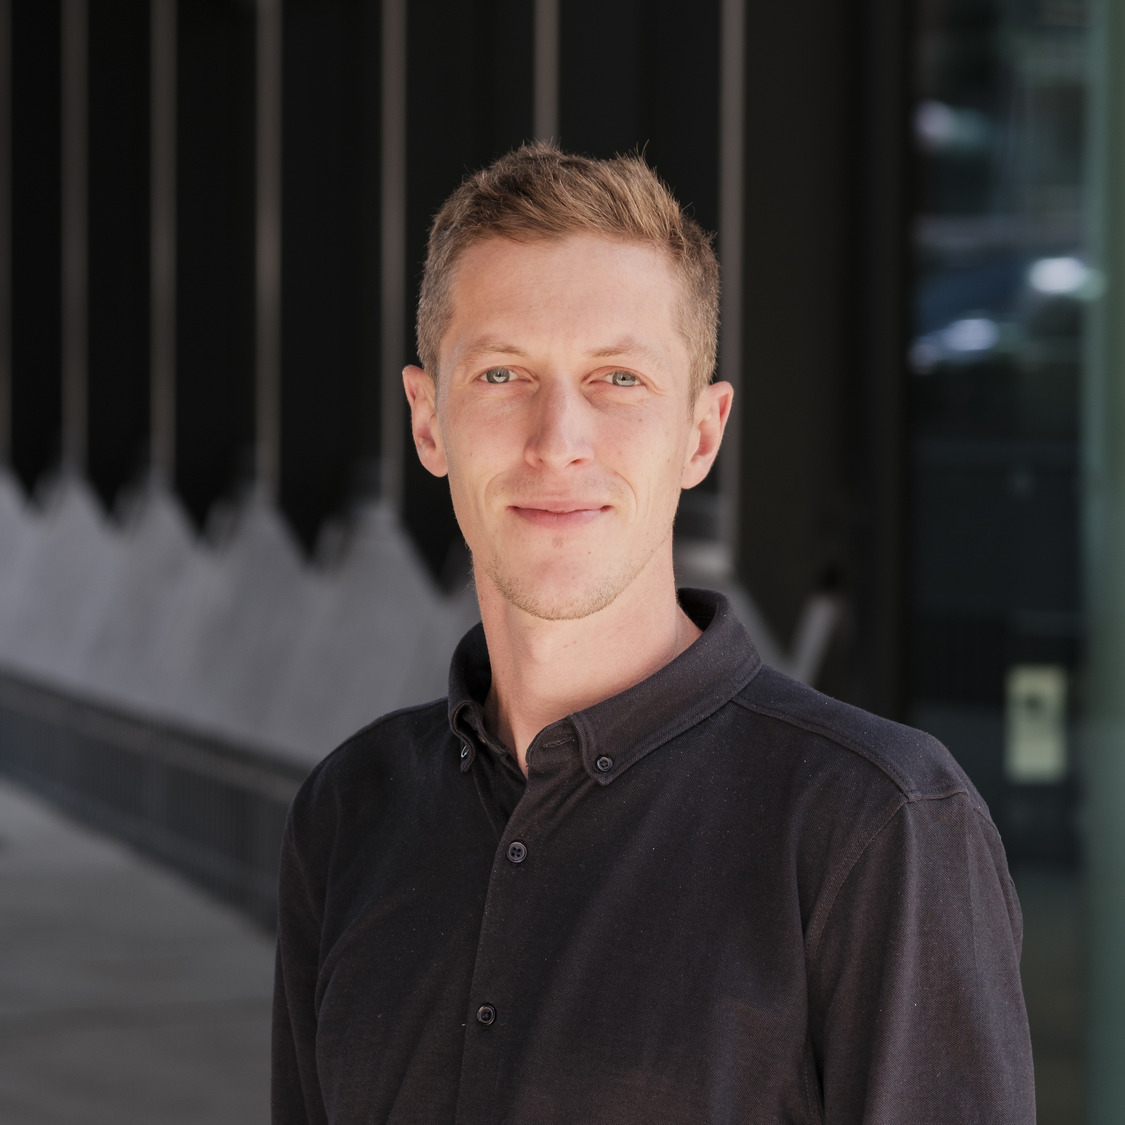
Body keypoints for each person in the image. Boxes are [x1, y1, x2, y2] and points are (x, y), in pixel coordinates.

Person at [272, 143, 1035, 1124]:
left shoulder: (877, 826)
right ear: (428, 421)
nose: (558, 441)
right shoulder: (348, 811)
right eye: (502, 374)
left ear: (701, 434)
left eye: (619, 379)